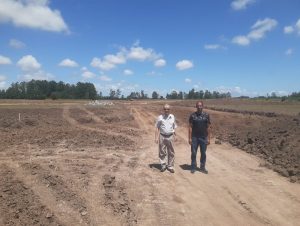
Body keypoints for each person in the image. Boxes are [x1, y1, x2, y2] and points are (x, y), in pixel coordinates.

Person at [188, 101, 211, 174]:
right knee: (194, 153)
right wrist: (190, 138)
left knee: (203, 153)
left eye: (200, 106)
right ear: (196, 107)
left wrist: (209, 138)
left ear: (203, 106)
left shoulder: (206, 115)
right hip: (194, 137)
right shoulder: (192, 116)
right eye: (198, 106)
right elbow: (190, 127)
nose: (199, 107)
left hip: (203, 138)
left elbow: (208, 127)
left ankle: (202, 167)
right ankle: (193, 166)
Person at [155, 104, 177, 173]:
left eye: (168, 109)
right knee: (162, 151)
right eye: (165, 109)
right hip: (162, 136)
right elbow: (157, 127)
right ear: (163, 110)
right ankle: (163, 165)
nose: (166, 110)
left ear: (169, 110)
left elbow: (174, 127)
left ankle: (170, 166)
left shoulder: (172, 117)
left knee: (171, 152)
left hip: (170, 136)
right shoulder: (160, 117)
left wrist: (175, 135)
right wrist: (156, 137)